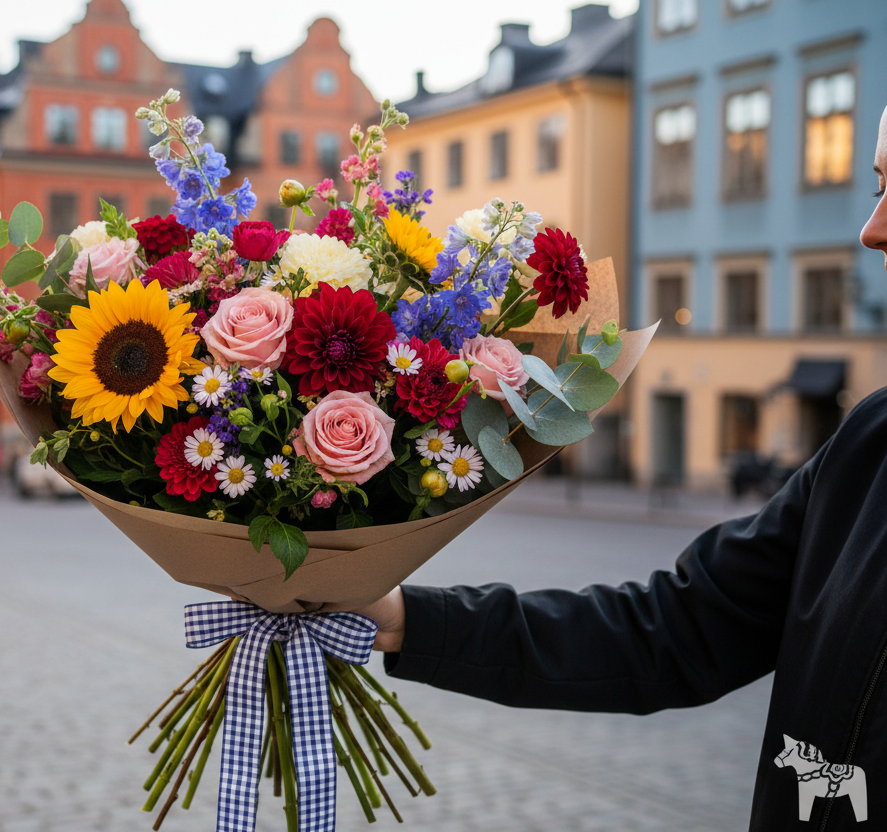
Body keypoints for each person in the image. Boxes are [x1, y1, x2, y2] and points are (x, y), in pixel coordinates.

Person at [356, 104, 887, 829]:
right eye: (879, 186)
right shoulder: (868, 444)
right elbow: (675, 627)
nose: (872, 230)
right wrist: (404, 619)